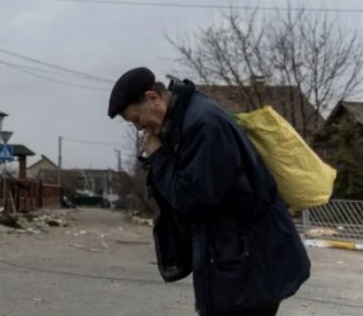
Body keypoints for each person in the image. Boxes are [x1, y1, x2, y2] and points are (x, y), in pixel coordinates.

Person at [107, 67, 310, 316]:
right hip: (235, 261)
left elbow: (192, 201)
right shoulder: (188, 121)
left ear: (153, 98)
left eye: (137, 119)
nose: (140, 129)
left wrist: (159, 156)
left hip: (250, 265)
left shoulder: (204, 125)